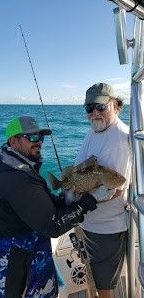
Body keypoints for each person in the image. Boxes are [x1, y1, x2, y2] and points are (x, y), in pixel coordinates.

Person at [0, 115, 99, 298]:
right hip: (20, 263)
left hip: (21, 254)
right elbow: (52, 226)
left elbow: (39, 205)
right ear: (13, 141)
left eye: (41, 137)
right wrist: (88, 202)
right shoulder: (17, 179)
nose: (39, 143)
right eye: (32, 138)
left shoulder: (12, 165)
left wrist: (65, 199)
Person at [74, 83, 132, 298]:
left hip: (107, 228)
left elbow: (115, 188)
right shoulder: (93, 132)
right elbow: (80, 168)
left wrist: (80, 196)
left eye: (100, 106)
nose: (94, 113)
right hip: (88, 222)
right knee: (94, 277)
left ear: (115, 105)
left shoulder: (119, 137)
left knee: (103, 285)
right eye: (89, 108)